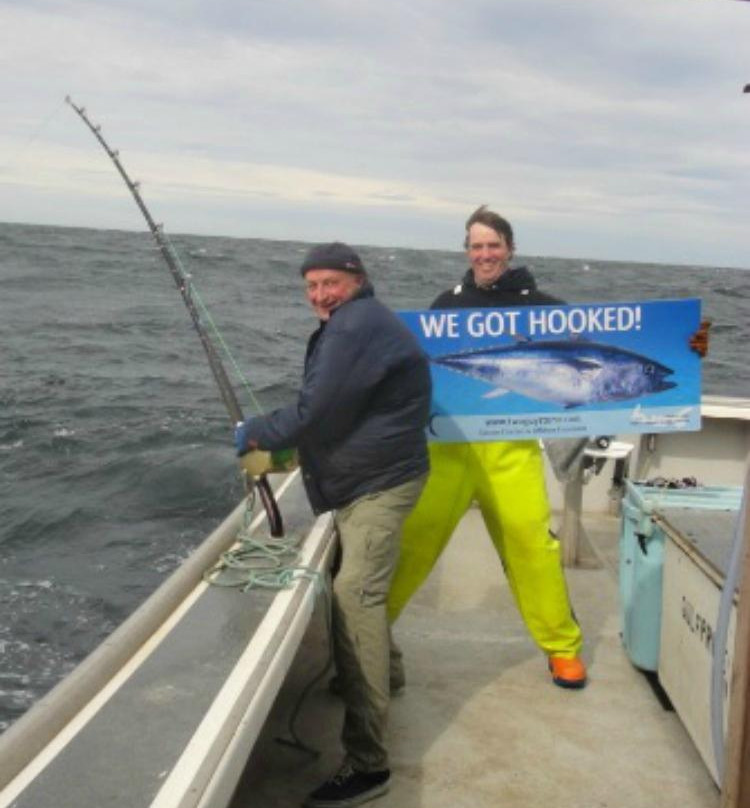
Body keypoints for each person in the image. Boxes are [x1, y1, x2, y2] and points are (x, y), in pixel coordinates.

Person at [386, 205, 712, 693]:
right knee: (414, 540)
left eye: (494, 245)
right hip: (448, 449)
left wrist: (691, 349)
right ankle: (365, 637)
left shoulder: (547, 308)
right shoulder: (445, 305)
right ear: (467, 251)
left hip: (509, 450)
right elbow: (421, 364)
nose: (485, 254)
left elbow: (623, 339)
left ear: (510, 249)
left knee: (532, 544)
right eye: (476, 245)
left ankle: (562, 649)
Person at [234, 241, 431, 808]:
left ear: (357, 280)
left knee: (353, 594)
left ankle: (369, 764)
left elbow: (314, 412)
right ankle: (384, 675)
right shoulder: (355, 322)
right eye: (311, 286)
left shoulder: (353, 327)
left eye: (330, 284)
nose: (319, 295)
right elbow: (338, 412)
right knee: (357, 584)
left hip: (380, 484)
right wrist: (281, 454)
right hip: (367, 476)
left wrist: (254, 431)